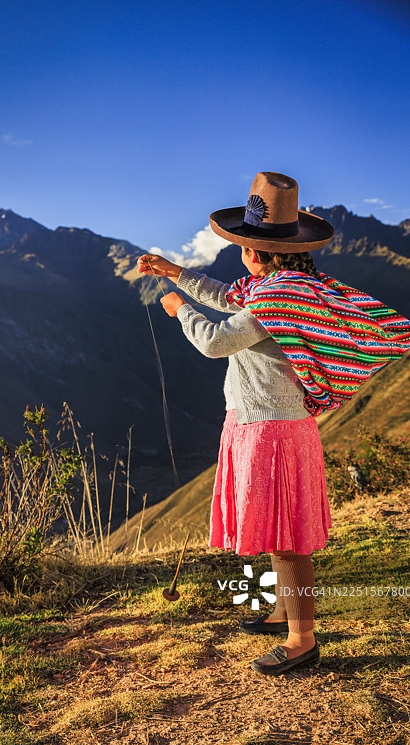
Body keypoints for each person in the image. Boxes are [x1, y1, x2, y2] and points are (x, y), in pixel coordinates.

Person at [137, 171, 336, 677]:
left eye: (242, 245)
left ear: (254, 250)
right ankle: (284, 614)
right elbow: (231, 297)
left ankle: (301, 640)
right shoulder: (280, 284)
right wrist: (174, 270)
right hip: (265, 423)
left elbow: (214, 341)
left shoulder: (278, 297)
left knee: (287, 538)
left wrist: (180, 308)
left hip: (273, 431)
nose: (238, 253)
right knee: (276, 530)